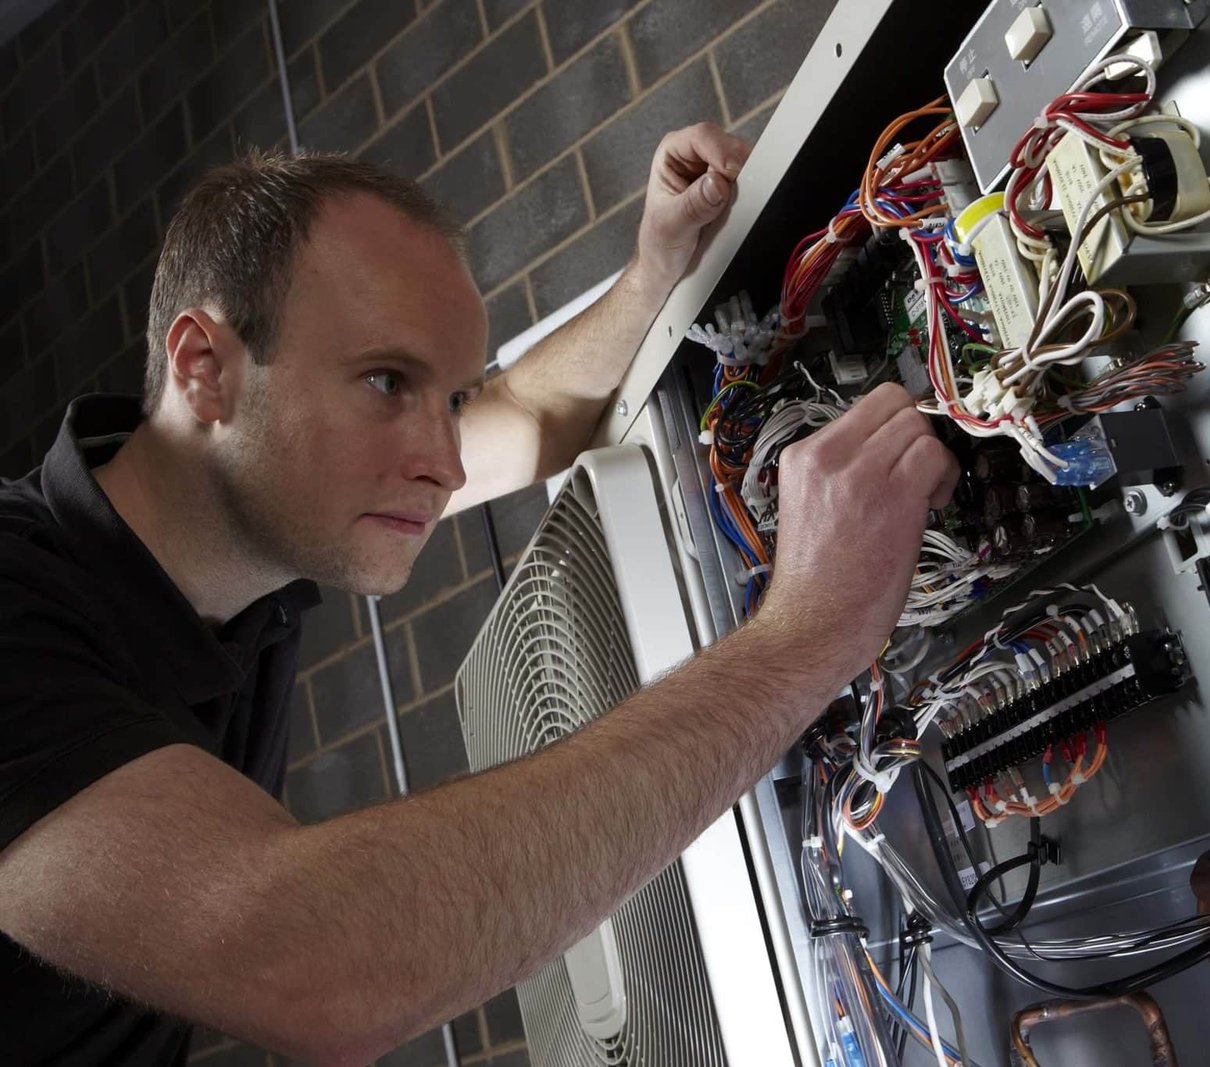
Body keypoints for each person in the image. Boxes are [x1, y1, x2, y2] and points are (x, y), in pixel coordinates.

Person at [0, 122, 959, 1065]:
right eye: (386, 380)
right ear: (204, 368)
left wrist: (656, 268)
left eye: (449, 398)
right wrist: (807, 634)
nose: (447, 461)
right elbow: (321, 961)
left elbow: (528, 415)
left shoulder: (243, 554)